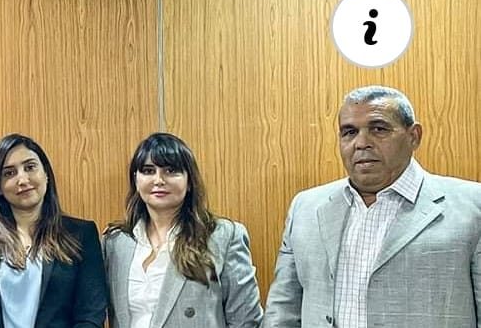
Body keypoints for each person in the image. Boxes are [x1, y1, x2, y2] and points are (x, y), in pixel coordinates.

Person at [264, 85, 481, 328]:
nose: (361, 143)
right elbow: (282, 310)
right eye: (349, 132)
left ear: (414, 136)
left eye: (379, 129)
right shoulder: (305, 208)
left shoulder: (473, 208)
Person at [103, 133, 262, 328]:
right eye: (148, 171)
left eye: (170, 170)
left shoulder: (222, 236)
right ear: (136, 180)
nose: (158, 180)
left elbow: (246, 320)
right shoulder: (116, 242)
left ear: (189, 182)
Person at [0, 133, 108, 328]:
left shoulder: (81, 235)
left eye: (30, 167)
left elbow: (90, 316)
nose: (22, 179)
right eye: (9, 173)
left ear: (46, 174)